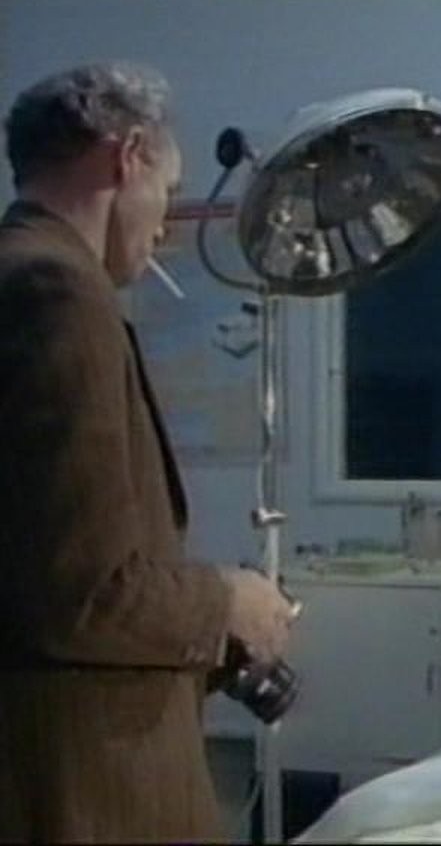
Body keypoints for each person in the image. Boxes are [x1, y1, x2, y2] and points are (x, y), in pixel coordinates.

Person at [0, 62, 298, 842]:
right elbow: (85, 593)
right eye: (168, 190)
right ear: (127, 155)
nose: (165, 225)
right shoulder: (56, 293)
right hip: (87, 788)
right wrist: (229, 602)